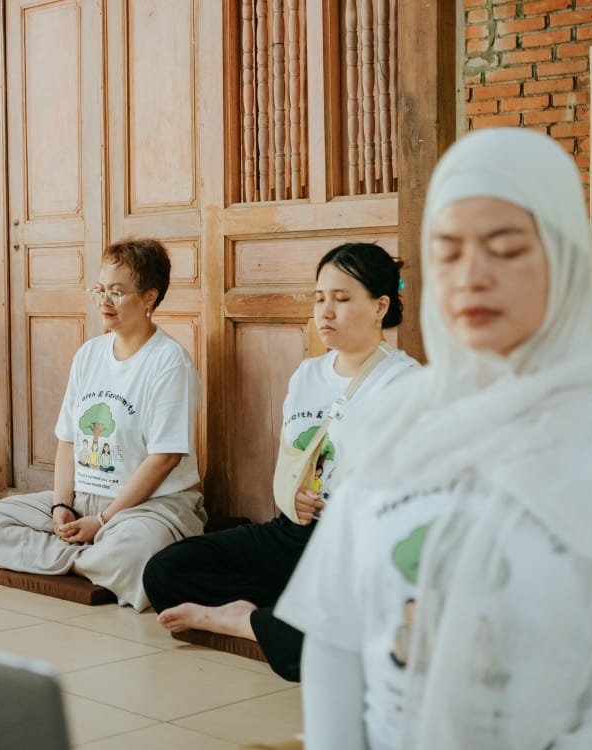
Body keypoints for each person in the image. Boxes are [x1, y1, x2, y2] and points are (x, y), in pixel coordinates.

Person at [277, 128, 592, 750]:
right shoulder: (403, 415)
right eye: (448, 251)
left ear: (565, 258)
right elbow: (335, 629)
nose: (472, 276)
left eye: (506, 248)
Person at [142, 243, 418, 681]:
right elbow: (290, 466)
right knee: (165, 571)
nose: (326, 312)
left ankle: (242, 620)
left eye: (342, 299)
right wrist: (294, 497)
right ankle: (283, 616)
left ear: (379, 306)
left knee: (353, 634)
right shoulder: (307, 375)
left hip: (353, 546)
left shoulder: (405, 383)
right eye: (320, 298)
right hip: (292, 533)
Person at [0, 239, 205, 611]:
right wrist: (61, 505)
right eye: (100, 289)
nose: (104, 301)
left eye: (117, 292)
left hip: (149, 507)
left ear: (149, 297)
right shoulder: (89, 354)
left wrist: (104, 520)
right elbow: (68, 440)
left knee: (138, 552)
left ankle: (69, 557)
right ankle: (86, 561)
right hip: (83, 500)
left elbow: (164, 458)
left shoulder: (169, 362)